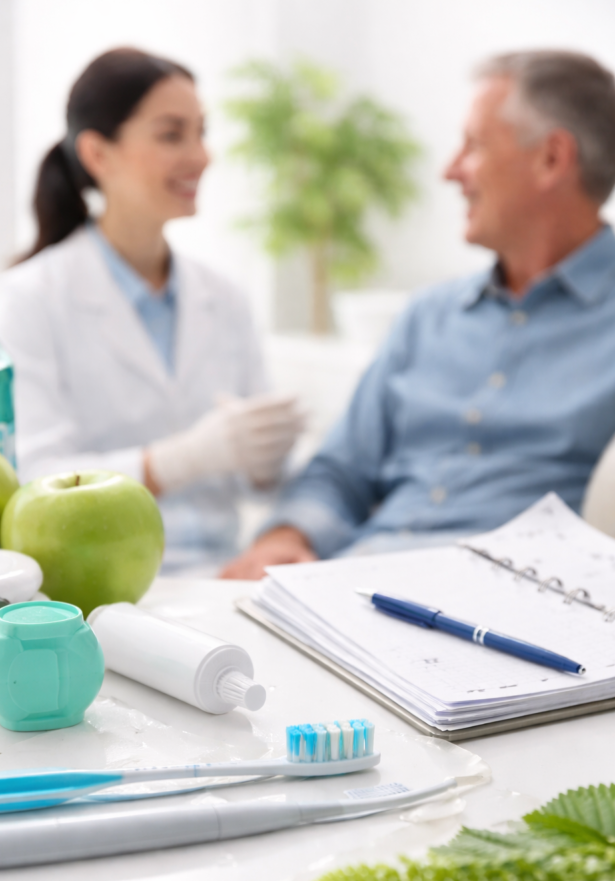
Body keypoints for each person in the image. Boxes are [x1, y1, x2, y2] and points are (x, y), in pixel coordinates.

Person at [222, 49, 615, 580]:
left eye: (474, 145)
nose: (450, 171)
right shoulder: (427, 315)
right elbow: (342, 468)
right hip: (353, 584)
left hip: (505, 610)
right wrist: (286, 536)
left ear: (551, 159)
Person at [0, 48, 303, 573]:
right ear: (97, 154)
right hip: (99, 584)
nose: (202, 156)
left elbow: (258, 483)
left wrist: (269, 454)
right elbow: (35, 480)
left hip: (227, 572)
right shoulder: (28, 298)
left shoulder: (224, 297)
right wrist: (178, 460)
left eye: (202, 132)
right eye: (172, 134)